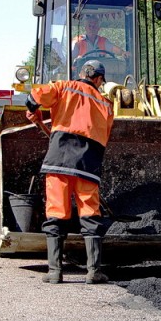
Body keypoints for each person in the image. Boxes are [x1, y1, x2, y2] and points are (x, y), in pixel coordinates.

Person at [26, 60, 114, 285]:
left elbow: (35, 96)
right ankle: (94, 272)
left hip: (59, 161)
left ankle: (55, 272)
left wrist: (33, 110)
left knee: (56, 213)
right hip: (87, 165)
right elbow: (104, 135)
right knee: (90, 214)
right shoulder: (105, 104)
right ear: (97, 79)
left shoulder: (63, 87)